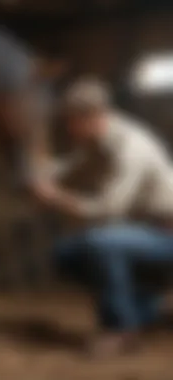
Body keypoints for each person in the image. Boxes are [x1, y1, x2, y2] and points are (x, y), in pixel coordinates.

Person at [36, 77, 173, 358]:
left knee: (100, 242)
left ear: (92, 117)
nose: (68, 128)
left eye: (71, 121)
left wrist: (56, 198)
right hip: (144, 231)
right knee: (64, 254)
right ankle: (149, 308)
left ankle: (121, 330)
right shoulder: (98, 140)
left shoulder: (131, 147)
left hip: (166, 234)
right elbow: (72, 166)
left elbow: (109, 209)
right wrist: (39, 171)